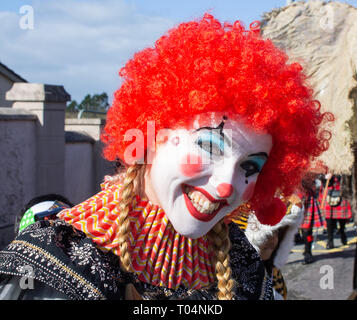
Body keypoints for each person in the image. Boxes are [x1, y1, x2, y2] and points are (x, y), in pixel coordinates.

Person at [0, 14, 333, 300]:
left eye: (249, 166)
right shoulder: (57, 260)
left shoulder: (241, 262)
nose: (226, 187)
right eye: (210, 147)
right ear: (152, 134)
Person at [242, 193, 304, 300]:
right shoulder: (239, 279)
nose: (272, 239)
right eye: (266, 235)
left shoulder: (275, 276)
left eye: (276, 232)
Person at [320, 174, 352, 249]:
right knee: (329, 220)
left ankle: (342, 233)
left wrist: (339, 176)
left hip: (341, 192)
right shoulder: (325, 166)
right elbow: (320, 177)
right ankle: (330, 241)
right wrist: (325, 177)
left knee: (342, 220)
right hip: (329, 194)